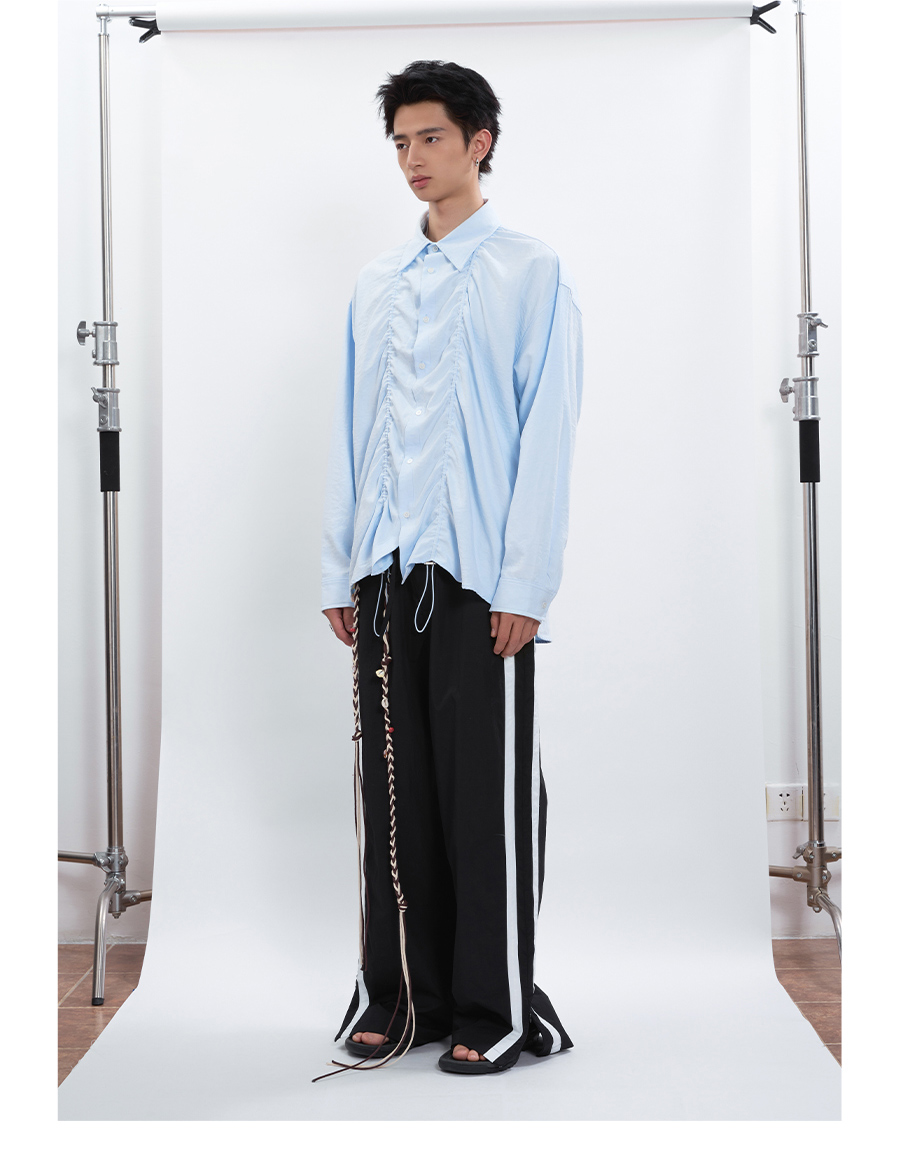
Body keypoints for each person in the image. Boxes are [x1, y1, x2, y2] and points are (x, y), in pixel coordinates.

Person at [319, 59, 582, 1077]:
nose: (413, 158)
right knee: (393, 801)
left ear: (479, 142)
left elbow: (547, 432)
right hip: (386, 577)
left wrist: (526, 583)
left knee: (486, 803)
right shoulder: (377, 282)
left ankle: (495, 1004)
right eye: (400, 142)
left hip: (479, 583)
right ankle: (402, 996)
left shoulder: (530, 271)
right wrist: (342, 569)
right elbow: (349, 429)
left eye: (430, 137)